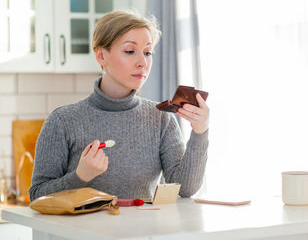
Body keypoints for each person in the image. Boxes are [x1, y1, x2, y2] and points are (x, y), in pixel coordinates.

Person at [29, 10, 209, 201]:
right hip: (82, 232)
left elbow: (185, 189)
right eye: (130, 51)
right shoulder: (63, 121)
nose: (143, 62)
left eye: (148, 52)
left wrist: (200, 131)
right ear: (101, 56)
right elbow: (37, 195)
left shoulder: (161, 118)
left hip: (143, 231)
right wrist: (80, 177)